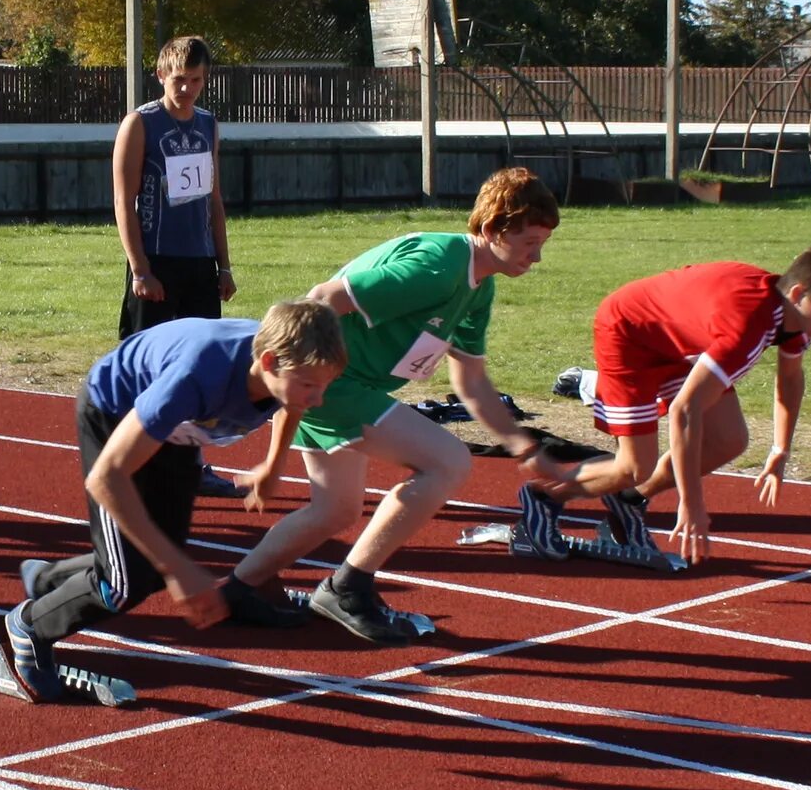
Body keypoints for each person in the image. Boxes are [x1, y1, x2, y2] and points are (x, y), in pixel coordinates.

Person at [236, 166, 568, 641]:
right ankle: (348, 588)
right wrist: (302, 382)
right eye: (530, 243)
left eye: (542, 245)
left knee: (335, 510)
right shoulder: (440, 265)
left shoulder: (478, 286)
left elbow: (471, 380)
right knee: (447, 462)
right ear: (494, 229)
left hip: (343, 388)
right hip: (334, 384)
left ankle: (240, 587)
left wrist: (524, 446)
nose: (536, 258)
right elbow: (323, 297)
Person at [0, 302, 347, 703]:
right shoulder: (197, 378)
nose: (318, 399)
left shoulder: (285, 367)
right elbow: (106, 478)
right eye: (310, 385)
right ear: (267, 362)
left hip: (180, 433)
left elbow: (292, 402)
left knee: (164, 559)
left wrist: (273, 464)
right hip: (115, 416)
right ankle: (26, 628)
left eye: (326, 385)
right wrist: (180, 571)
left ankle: (47, 581)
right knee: (124, 585)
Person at [545, 248, 811, 565]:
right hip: (629, 332)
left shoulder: (789, 319)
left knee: (729, 439)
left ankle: (627, 500)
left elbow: (790, 379)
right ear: (798, 293)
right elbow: (685, 411)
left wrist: (780, 449)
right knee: (634, 466)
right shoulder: (748, 327)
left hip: (677, 342)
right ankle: (544, 497)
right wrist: (690, 501)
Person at [112, 35, 244, 500]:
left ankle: (192, 463)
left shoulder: (208, 124)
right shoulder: (141, 123)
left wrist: (224, 266)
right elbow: (122, 201)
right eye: (178, 79)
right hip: (156, 263)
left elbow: (213, 199)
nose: (186, 89)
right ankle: (131, 464)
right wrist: (140, 268)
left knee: (201, 371)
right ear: (160, 75)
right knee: (148, 369)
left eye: (195, 81)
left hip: (199, 263)